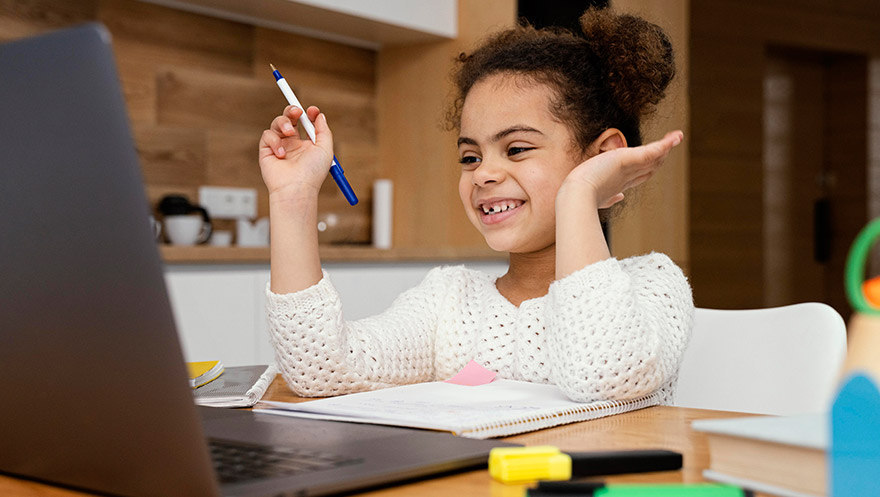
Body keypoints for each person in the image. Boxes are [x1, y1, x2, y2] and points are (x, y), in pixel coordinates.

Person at [257, 8, 693, 404]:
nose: (483, 173)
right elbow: (321, 372)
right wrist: (292, 199)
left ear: (602, 157)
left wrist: (579, 192)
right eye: (470, 157)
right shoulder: (449, 302)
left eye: (517, 148)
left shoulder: (654, 285)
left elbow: (605, 379)